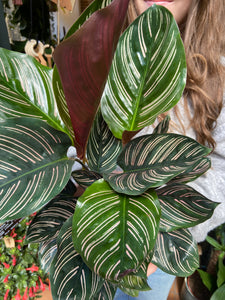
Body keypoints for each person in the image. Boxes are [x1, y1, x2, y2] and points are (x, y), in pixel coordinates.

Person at [114, 0, 225, 299]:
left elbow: (223, 171)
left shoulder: (220, 71)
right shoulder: (96, 50)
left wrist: (160, 239)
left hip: (157, 255)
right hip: (88, 237)